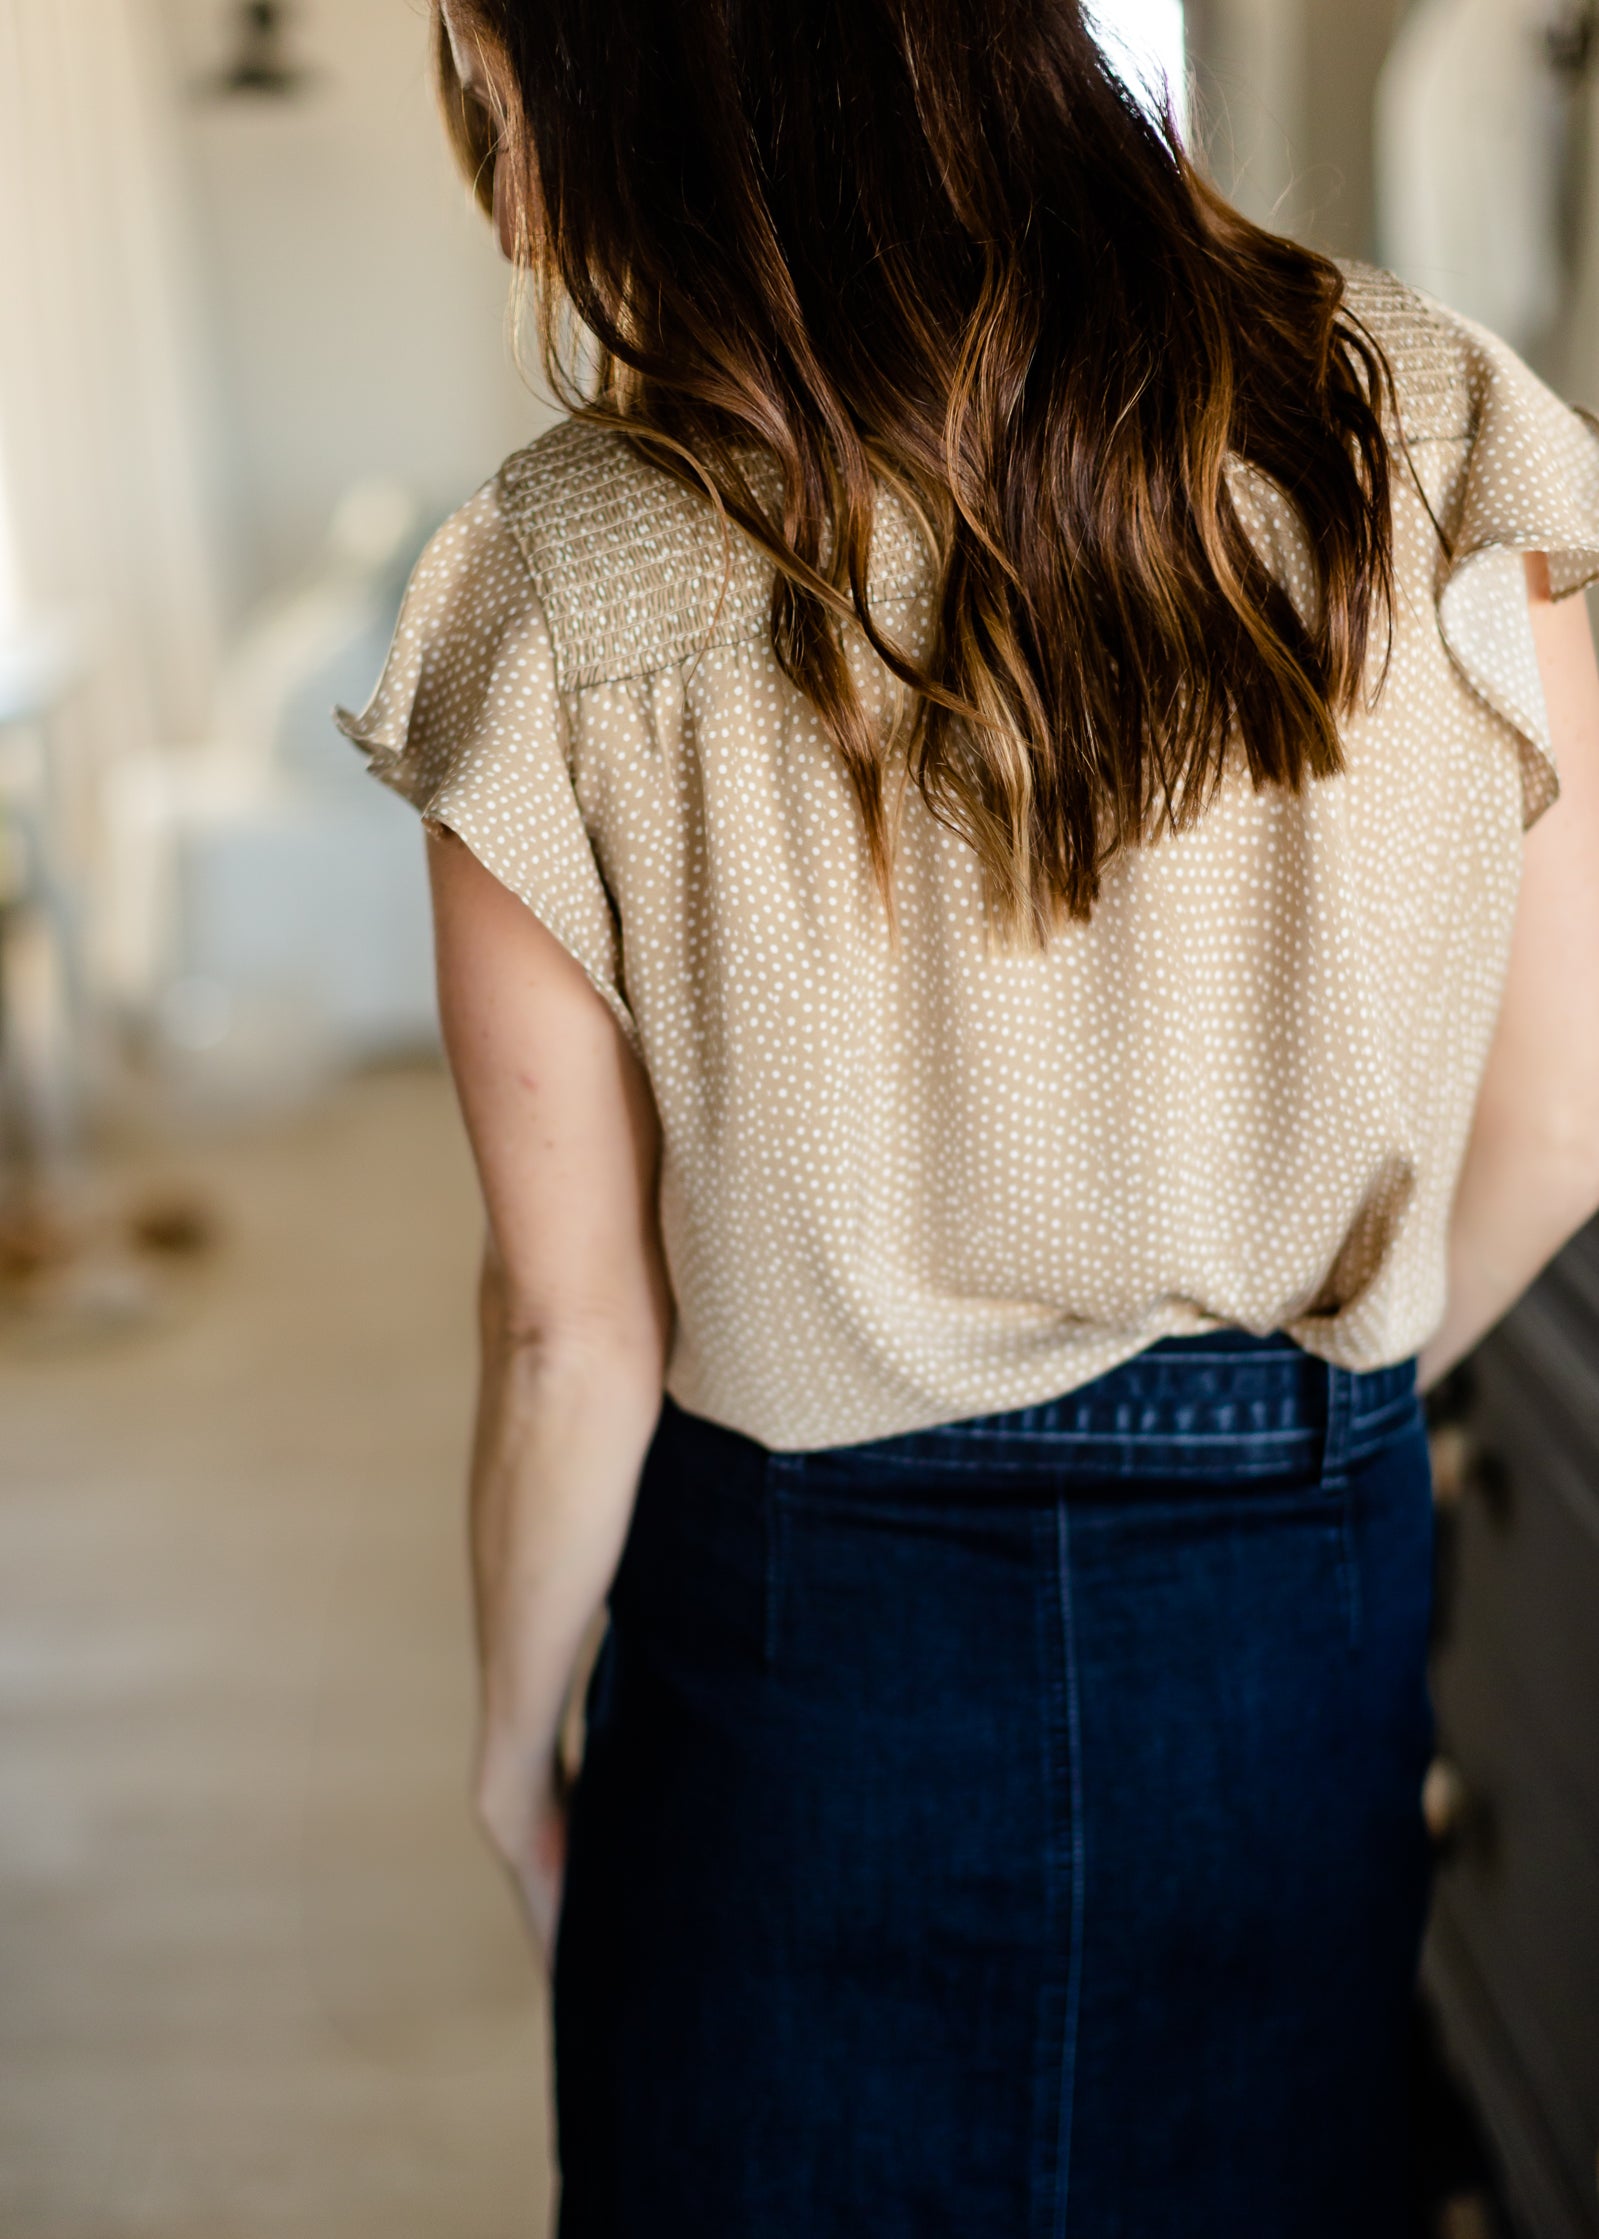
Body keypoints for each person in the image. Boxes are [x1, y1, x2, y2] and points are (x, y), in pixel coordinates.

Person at [336, 3, 1599, 2230]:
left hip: (789, 1636)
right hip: (1294, 1580)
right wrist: (1326, 1414)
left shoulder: (560, 578)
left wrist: (512, 1751)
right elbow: (1565, 1118)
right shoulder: (1421, 429)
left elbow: (571, 1335)